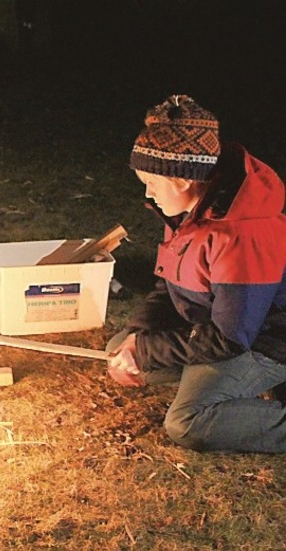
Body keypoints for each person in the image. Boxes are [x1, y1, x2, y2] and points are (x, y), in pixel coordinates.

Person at [106, 94, 286, 452]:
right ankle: (216, 382)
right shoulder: (189, 212)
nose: (148, 193)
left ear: (183, 180)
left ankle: (237, 396)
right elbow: (170, 286)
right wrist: (140, 336)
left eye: (152, 183)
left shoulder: (242, 233)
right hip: (214, 328)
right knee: (118, 350)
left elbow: (231, 338)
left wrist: (146, 349)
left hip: (266, 340)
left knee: (187, 421)